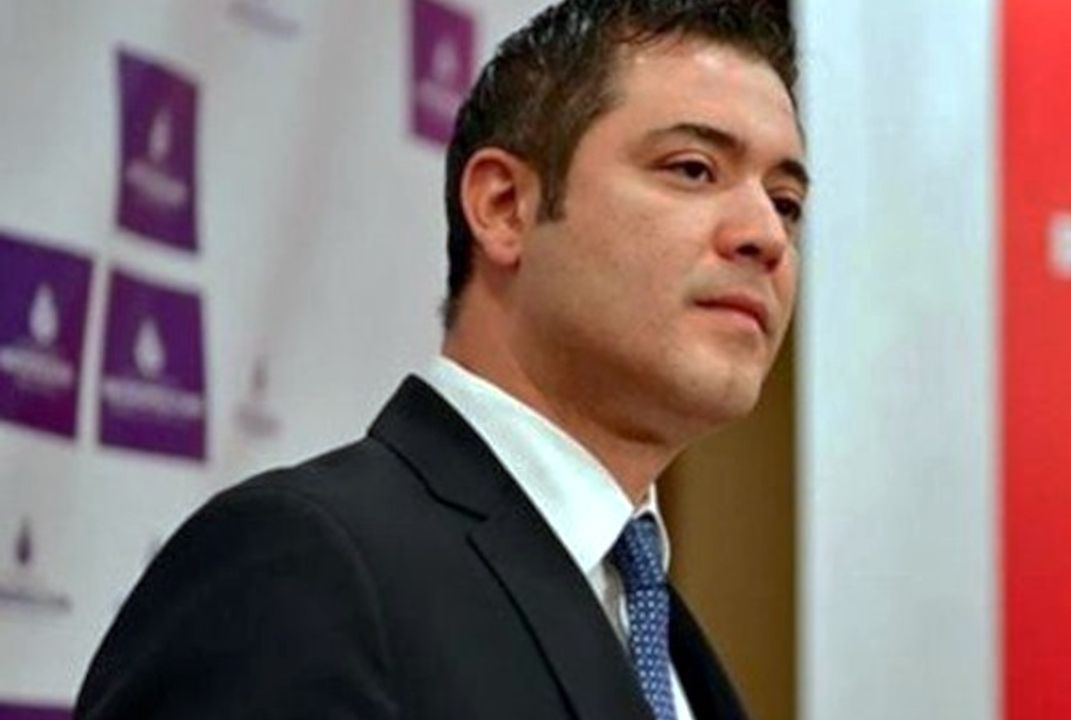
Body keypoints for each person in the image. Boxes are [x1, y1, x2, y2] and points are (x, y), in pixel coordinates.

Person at [75, 0, 806, 718]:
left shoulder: (662, 635)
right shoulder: (298, 568)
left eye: (786, 202)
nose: (766, 235)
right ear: (504, 206)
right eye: (692, 169)